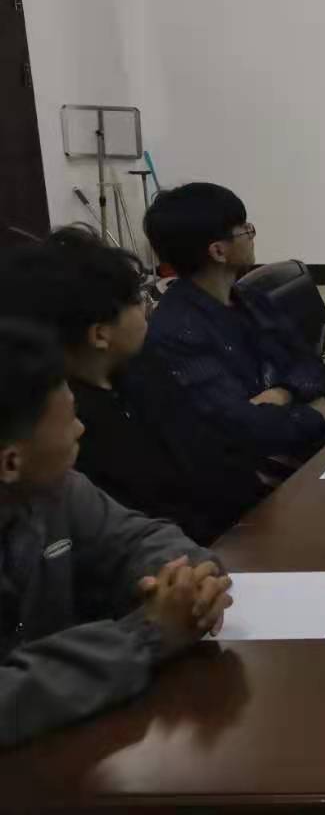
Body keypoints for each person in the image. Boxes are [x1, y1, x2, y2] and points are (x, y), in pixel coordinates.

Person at [0, 320, 233, 748]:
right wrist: (147, 634)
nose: (81, 429)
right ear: (11, 463)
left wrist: (187, 586)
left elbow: (140, 538)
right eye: (69, 420)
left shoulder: (57, 490)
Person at [0, 233, 269, 543]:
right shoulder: (63, 427)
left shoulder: (143, 367)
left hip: (242, 530)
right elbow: (132, 530)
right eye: (136, 299)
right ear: (100, 335)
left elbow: (213, 453)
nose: (146, 307)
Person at [140, 183, 325, 484]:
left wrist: (281, 393)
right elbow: (243, 428)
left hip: (302, 447)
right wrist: (313, 413)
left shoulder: (250, 299)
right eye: (244, 229)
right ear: (218, 251)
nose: (251, 234)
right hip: (255, 476)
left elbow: (311, 365)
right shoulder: (178, 331)